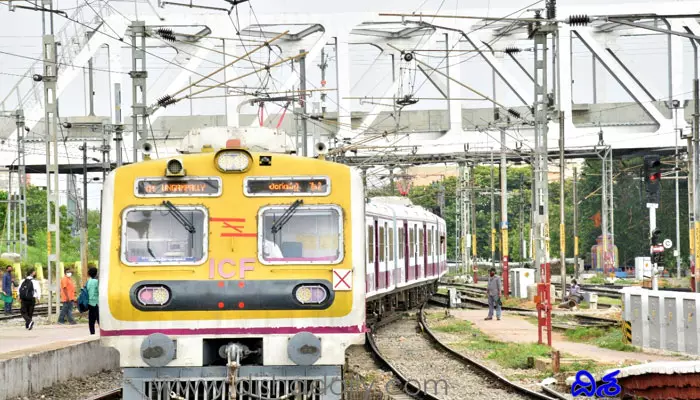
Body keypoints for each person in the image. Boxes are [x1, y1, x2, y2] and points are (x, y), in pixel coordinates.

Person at [86, 267, 99, 335]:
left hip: (90, 302)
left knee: (91, 319)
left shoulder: (89, 281)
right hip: (96, 302)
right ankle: (102, 332)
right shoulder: (96, 282)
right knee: (99, 318)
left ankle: (92, 332)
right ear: (96, 273)